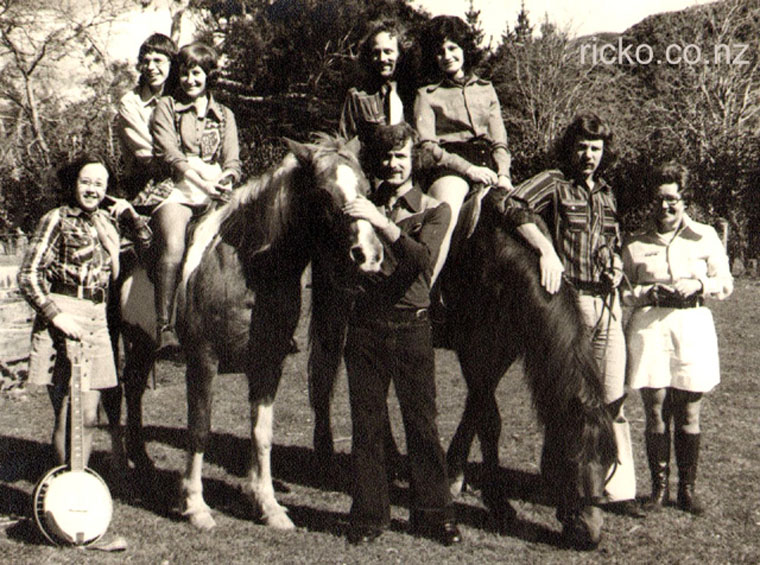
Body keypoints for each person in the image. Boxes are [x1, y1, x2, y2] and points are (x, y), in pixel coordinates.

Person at [508, 112, 643, 516]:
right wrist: (545, 249)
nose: (588, 155)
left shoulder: (607, 192)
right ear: (570, 149)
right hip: (571, 303)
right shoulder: (554, 182)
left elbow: (611, 240)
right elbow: (511, 203)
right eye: (582, 147)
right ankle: (558, 482)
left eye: (596, 148)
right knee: (571, 401)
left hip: (607, 303)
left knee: (612, 400)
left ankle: (616, 489)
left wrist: (615, 265)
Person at [341, 122, 461, 546]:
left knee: (422, 424)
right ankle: (370, 515)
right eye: (387, 156)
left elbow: (420, 261)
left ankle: (434, 515)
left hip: (412, 325)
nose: (393, 164)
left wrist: (381, 222)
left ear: (414, 161)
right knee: (367, 425)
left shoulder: (433, 208)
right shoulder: (359, 204)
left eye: (401, 156)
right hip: (366, 326)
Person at [17, 154, 135, 550]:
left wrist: (130, 214)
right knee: (69, 416)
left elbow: (146, 246)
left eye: (100, 183)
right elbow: (29, 275)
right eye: (86, 181)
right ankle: (61, 513)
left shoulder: (107, 223)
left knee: (87, 419)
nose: (93, 189)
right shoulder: (56, 219)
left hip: (97, 319)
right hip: (64, 316)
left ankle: (74, 509)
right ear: (73, 183)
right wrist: (56, 316)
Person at [622, 162, 732, 515]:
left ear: (685, 200)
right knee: (655, 409)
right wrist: (647, 292)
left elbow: (725, 283)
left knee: (688, 411)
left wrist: (698, 284)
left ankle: (686, 489)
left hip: (691, 327)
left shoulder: (705, 236)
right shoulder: (635, 242)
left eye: (673, 199)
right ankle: (658, 489)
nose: (665, 206)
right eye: (659, 199)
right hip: (650, 328)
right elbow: (623, 290)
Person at [148, 41, 241, 354]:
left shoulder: (225, 115)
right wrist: (202, 183)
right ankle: (165, 327)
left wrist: (226, 181)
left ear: (208, 75)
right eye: (185, 73)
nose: (190, 80)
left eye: (197, 73)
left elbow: (232, 160)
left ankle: (260, 319)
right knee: (174, 245)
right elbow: (170, 154)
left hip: (215, 189)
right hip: (178, 188)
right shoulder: (167, 107)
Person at [414, 15, 514, 283]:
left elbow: (499, 141)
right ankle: (423, 290)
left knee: (521, 215)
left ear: (464, 49)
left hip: (488, 163)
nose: (447, 56)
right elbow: (427, 146)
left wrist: (503, 174)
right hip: (449, 166)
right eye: (440, 51)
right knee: (446, 216)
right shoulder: (427, 95)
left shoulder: (486, 89)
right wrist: (468, 169)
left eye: (452, 48)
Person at [116, 33, 178, 200]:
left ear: (172, 63)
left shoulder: (180, 98)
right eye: (146, 61)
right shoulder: (130, 103)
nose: (151, 67)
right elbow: (148, 155)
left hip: (184, 176)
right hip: (145, 184)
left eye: (158, 61)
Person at [339, 19, 415, 146]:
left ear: (400, 54)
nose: (382, 59)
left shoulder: (412, 93)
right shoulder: (357, 96)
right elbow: (345, 141)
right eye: (376, 53)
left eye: (388, 52)